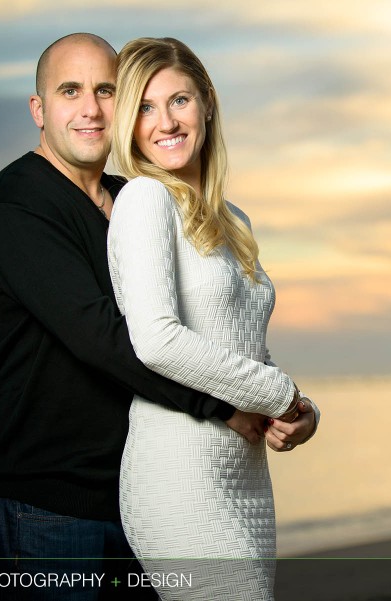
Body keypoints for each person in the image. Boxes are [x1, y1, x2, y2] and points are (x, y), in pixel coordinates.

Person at [0, 33, 318, 601]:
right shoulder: (20, 199)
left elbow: (210, 329)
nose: (91, 109)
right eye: (69, 91)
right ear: (39, 108)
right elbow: (103, 337)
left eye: (107, 90)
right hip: (42, 501)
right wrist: (225, 405)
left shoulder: (128, 194)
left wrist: (290, 407)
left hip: (126, 489)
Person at [106, 37, 317, 600]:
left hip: (243, 477)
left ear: (208, 103)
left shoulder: (234, 218)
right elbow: (154, 340)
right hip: (178, 476)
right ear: (128, 124)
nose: (165, 121)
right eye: (145, 108)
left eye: (179, 100)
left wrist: (302, 414)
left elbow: (245, 348)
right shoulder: (145, 199)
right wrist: (280, 394)